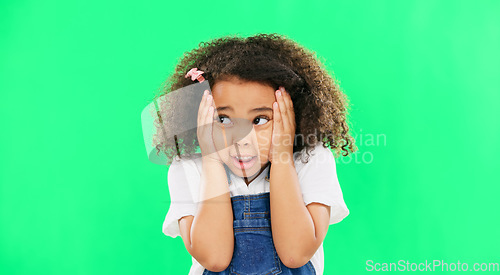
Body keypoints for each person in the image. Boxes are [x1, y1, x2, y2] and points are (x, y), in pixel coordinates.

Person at [156, 33, 357, 274]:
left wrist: (282, 158)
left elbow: (295, 254)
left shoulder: (310, 160)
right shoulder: (188, 169)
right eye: (223, 119)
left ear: (291, 115)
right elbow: (215, 258)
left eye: (260, 119)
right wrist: (211, 160)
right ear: (201, 116)